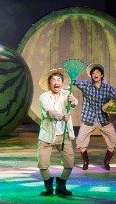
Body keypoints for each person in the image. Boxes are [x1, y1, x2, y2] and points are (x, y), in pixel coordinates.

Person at [73, 63, 116, 170]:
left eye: (97, 72)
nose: (95, 74)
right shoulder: (86, 86)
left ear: (101, 75)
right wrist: (67, 79)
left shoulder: (107, 88)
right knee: (80, 141)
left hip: (103, 119)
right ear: (91, 76)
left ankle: (107, 161)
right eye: (93, 73)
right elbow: (75, 82)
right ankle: (86, 161)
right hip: (89, 118)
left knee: (113, 140)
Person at [37, 67, 78, 196]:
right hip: (47, 135)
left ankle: (61, 186)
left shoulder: (66, 94)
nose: (56, 82)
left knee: (69, 163)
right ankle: (48, 187)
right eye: (53, 80)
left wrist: (72, 101)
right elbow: (50, 112)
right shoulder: (44, 97)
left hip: (64, 135)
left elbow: (74, 103)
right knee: (43, 164)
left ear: (62, 82)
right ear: (49, 83)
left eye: (59, 79)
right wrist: (61, 116)